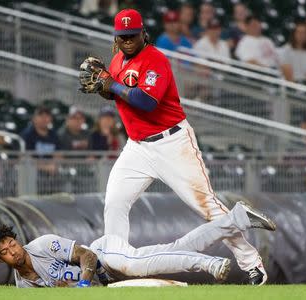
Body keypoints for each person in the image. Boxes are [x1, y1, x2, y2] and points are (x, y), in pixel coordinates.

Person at [78, 9, 274, 285]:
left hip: (172, 143)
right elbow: (117, 94)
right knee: (114, 202)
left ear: (142, 33)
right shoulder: (118, 59)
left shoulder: (155, 59)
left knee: (207, 207)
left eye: (132, 35)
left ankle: (253, 265)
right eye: (122, 36)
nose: (127, 41)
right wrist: (102, 87)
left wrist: (112, 83)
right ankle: (117, 261)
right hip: (137, 148)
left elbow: (146, 102)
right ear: (116, 38)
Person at [0, 201, 276, 287]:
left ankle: (208, 264)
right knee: (176, 248)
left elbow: (85, 255)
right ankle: (236, 217)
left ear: (16, 239)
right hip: (107, 280)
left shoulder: (42, 245)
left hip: (103, 254)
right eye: (3, 251)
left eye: (10, 243)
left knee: (137, 264)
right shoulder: (26, 287)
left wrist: (84, 283)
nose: (12, 251)